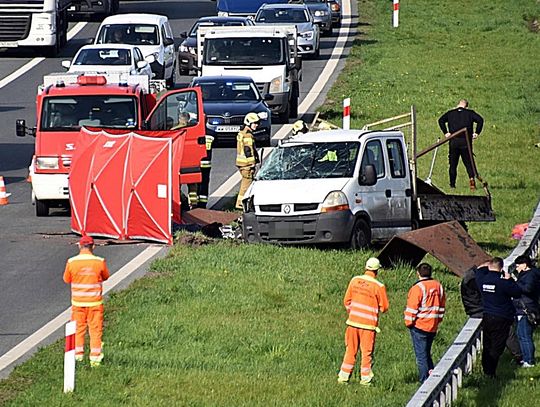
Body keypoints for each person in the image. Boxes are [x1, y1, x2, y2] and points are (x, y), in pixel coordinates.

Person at [337, 257, 389, 386]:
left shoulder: (354, 280)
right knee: (366, 353)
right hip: (368, 326)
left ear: (366, 268)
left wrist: (354, 312)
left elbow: (346, 301)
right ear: (377, 271)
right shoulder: (379, 286)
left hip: (352, 323)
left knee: (350, 351)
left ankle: (343, 378)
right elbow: (384, 308)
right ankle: (365, 379)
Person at [461, 264, 523, 365]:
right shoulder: (478, 279)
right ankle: (518, 356)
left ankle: (490, 366)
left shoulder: (473, 277)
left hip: (479, 310)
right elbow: (516, 292)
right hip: (485, 310)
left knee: (490, 340)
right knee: (506, 334)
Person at [63, 236, 110, 367]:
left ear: (79, 246)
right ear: (93, 247)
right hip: (95, 303)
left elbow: (67, 279)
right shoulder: (99, 261)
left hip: (78, 303)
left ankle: (78, 356)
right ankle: (95, 359)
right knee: (95, 330)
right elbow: (105, 276)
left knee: (78, 329)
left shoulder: (71, 262)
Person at [475, 257, 521, 377]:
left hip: (487, 316)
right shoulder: (503, 283)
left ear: (489, 266)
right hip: (502, 317)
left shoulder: (481, 279)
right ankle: (491, 371)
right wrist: (510, 279)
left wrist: (486, 264)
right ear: (501, 268)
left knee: (487, 344)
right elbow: (517, 292)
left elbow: (479, 269)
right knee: (497, 345)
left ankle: (486, 370)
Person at [404, 263, 446, 383]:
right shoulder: (438, 286)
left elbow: (412, 308)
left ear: (418, 273)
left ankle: (425, 381)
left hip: (419, 325)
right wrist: (438, 320)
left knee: (421, 356)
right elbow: (442, 306)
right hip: (433, 325)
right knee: (427, 353)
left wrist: (409, 323)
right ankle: (433, 376)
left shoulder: (418, 288)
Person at [438, 99, 484, 191]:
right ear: (466, 106)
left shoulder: (450, 113)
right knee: (468, 162)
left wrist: (446, 132)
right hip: (466, 141)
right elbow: (480, 120)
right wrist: (477, 132)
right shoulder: (470, 113)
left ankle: (452, 185)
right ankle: (471, 181)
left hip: (453, 141)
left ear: (458, 104)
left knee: (453, 164)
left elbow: (440, 120)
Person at [512, 255, 540, 367]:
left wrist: (515, 282)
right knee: (521, 334)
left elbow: (528, 289)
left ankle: (529, 360)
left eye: (518, 266)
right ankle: (526, 358)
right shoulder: (530, 274)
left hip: (526, 309)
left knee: (525, 335)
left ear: (524, 265)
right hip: (525, 307)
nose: (517, 268)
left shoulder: (530, 275)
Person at [235, 112, 260, 210]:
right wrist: (252, 163)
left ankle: (242, 203)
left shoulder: (242, 132)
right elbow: (248, 150)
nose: (256, 125)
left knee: (246, 184)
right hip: (246, 165)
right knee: (246, 185)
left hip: (242, 164)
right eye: (255, 123)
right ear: (249, 123)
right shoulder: (248, 135)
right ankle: (240, 204)